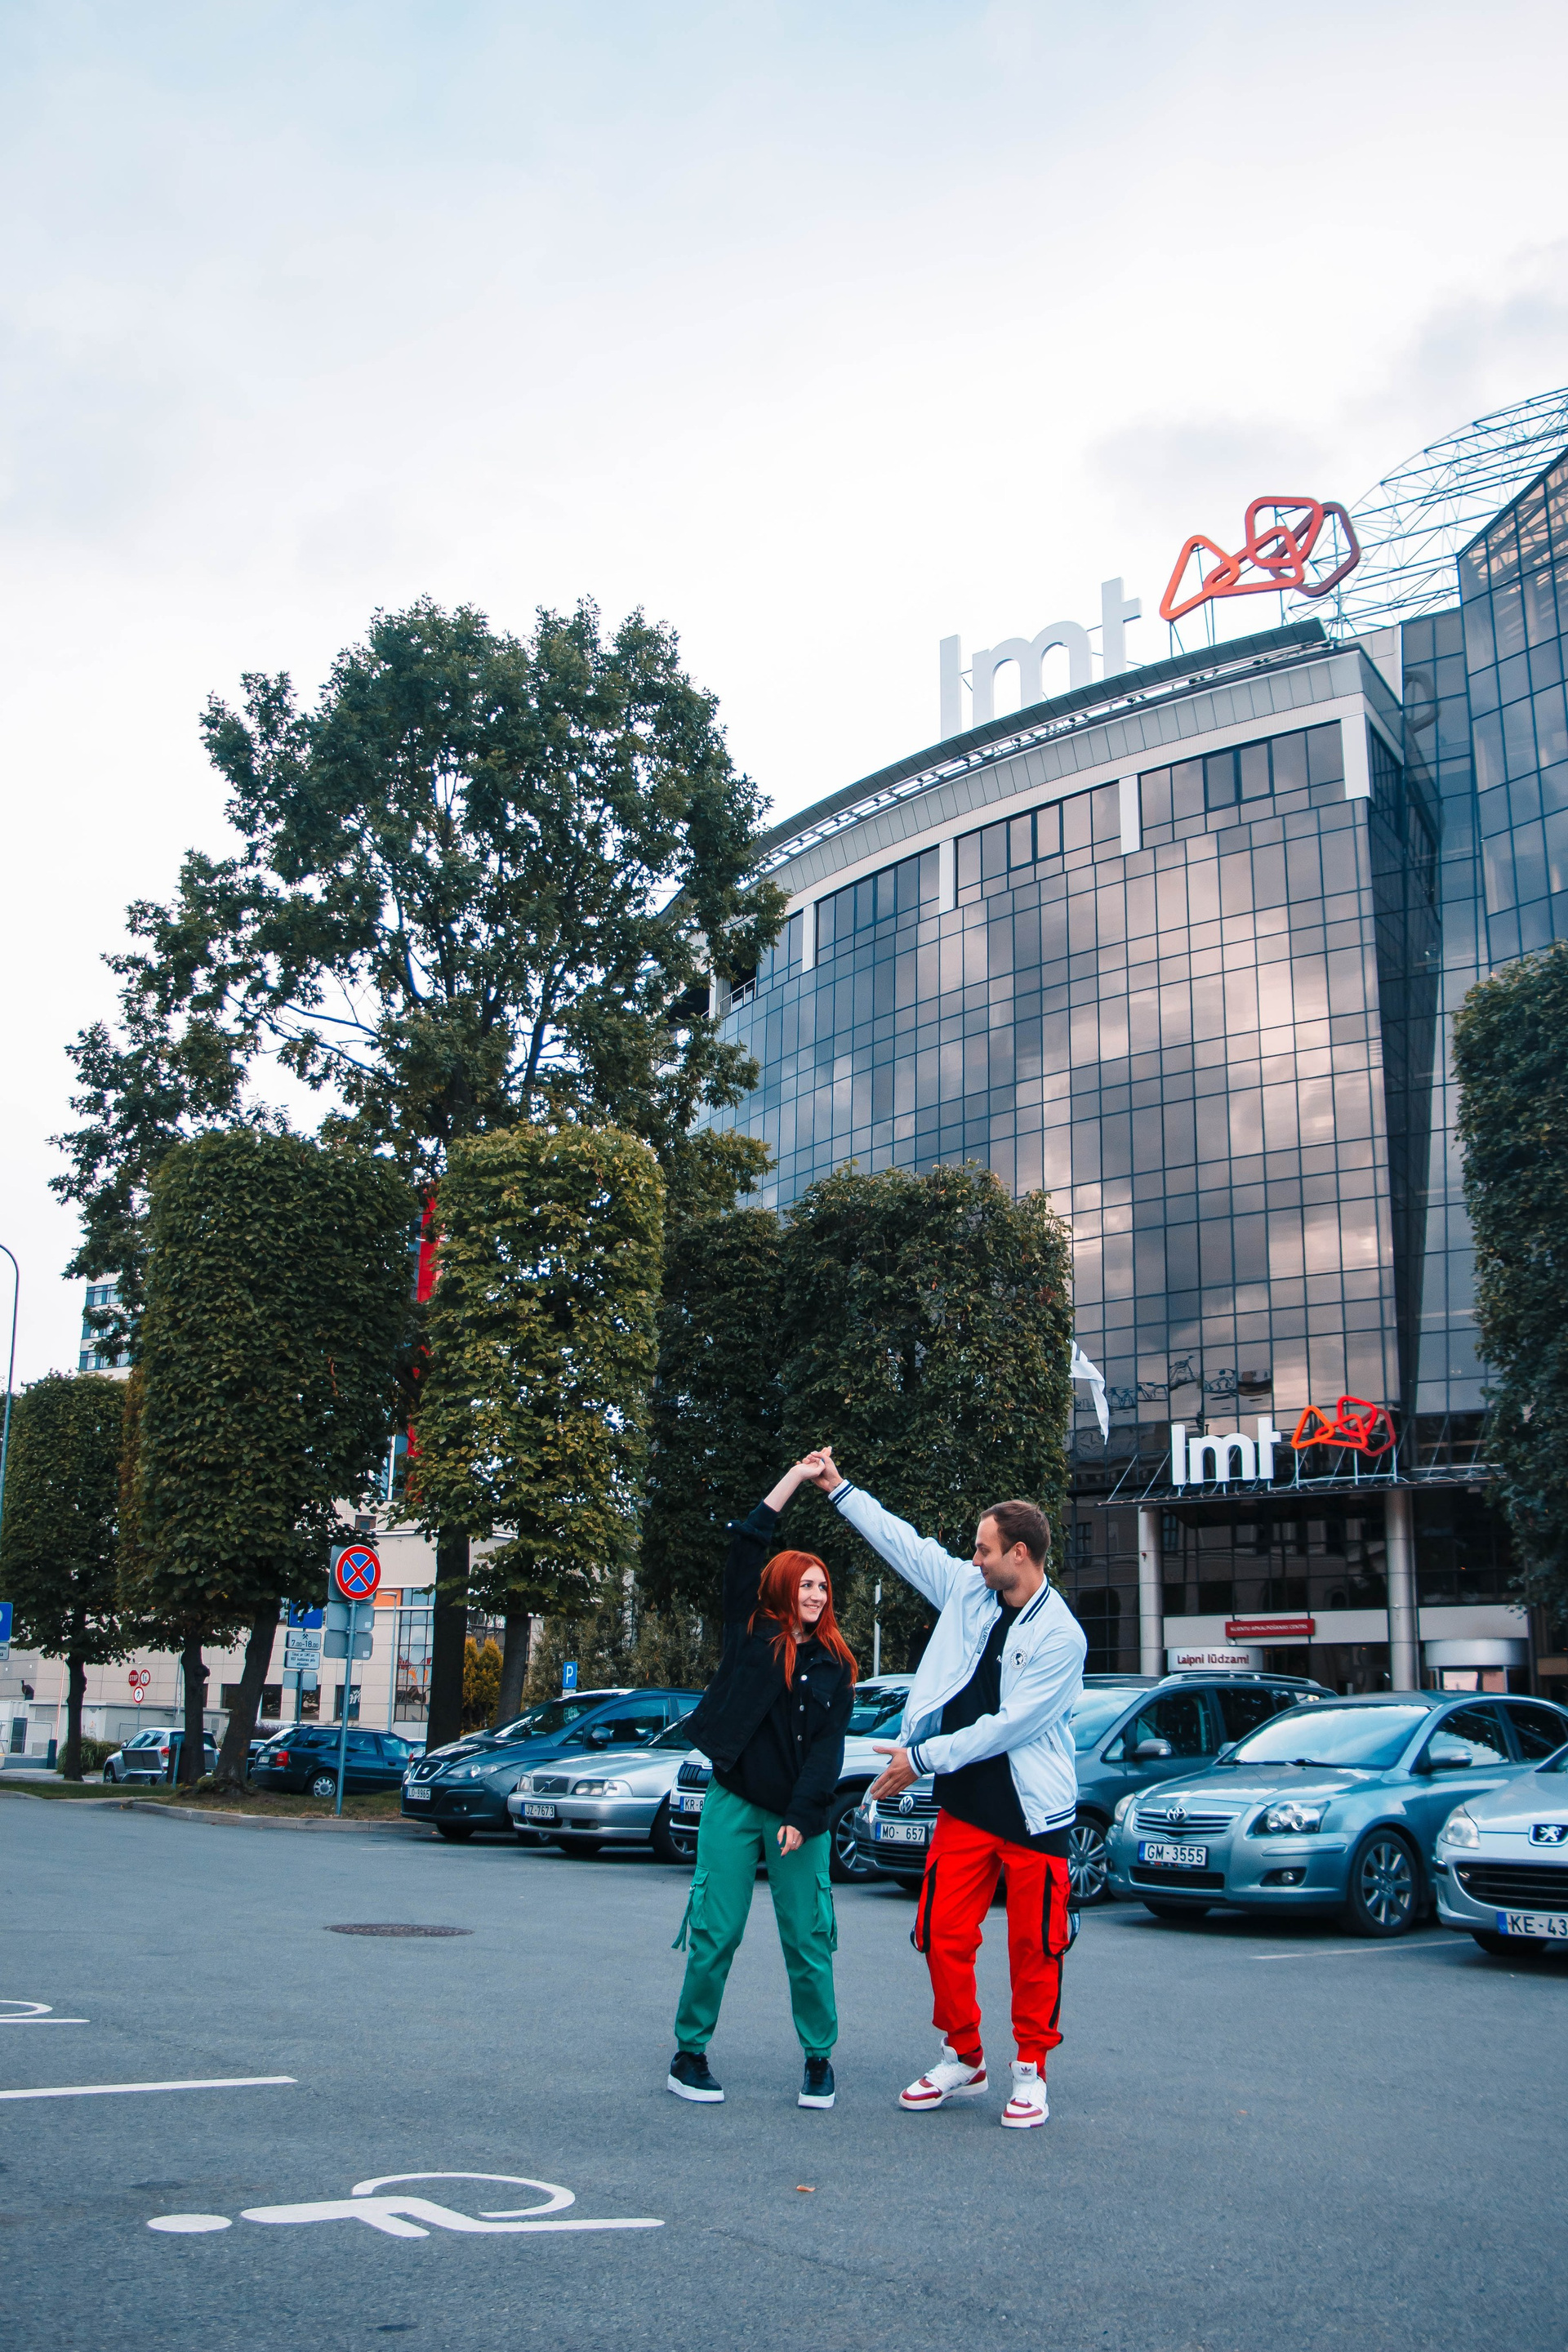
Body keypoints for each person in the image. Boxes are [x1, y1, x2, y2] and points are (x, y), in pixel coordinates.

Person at [807, 1446, 1085, 2129]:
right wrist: (839, 1487)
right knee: (940, 1934)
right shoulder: (969, 1590)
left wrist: (922, 1758)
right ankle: (964, 2057)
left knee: (1035, 1947)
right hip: (965, 1807)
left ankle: (1031, 2070)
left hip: (1033, 1814)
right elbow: (905, 1545)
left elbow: (1008, 1727)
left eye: (984, 1549)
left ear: (1020, 1553)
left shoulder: (1062, 1637)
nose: (974, 1559)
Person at [666, 1454, 857, 2109]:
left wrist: (802, 1817)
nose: (816, 1596)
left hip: (799, 1816)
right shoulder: (750, 1633)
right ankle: (689, 2053)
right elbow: (748, 1540)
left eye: (822, 1587)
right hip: (735, 1801)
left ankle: (819, 2061)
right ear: (781, 1589)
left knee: (808, 1940)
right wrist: (798, 1479)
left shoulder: (836, 1665)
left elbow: (827, 1752)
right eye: (806, 1585)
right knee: (715, 1932)